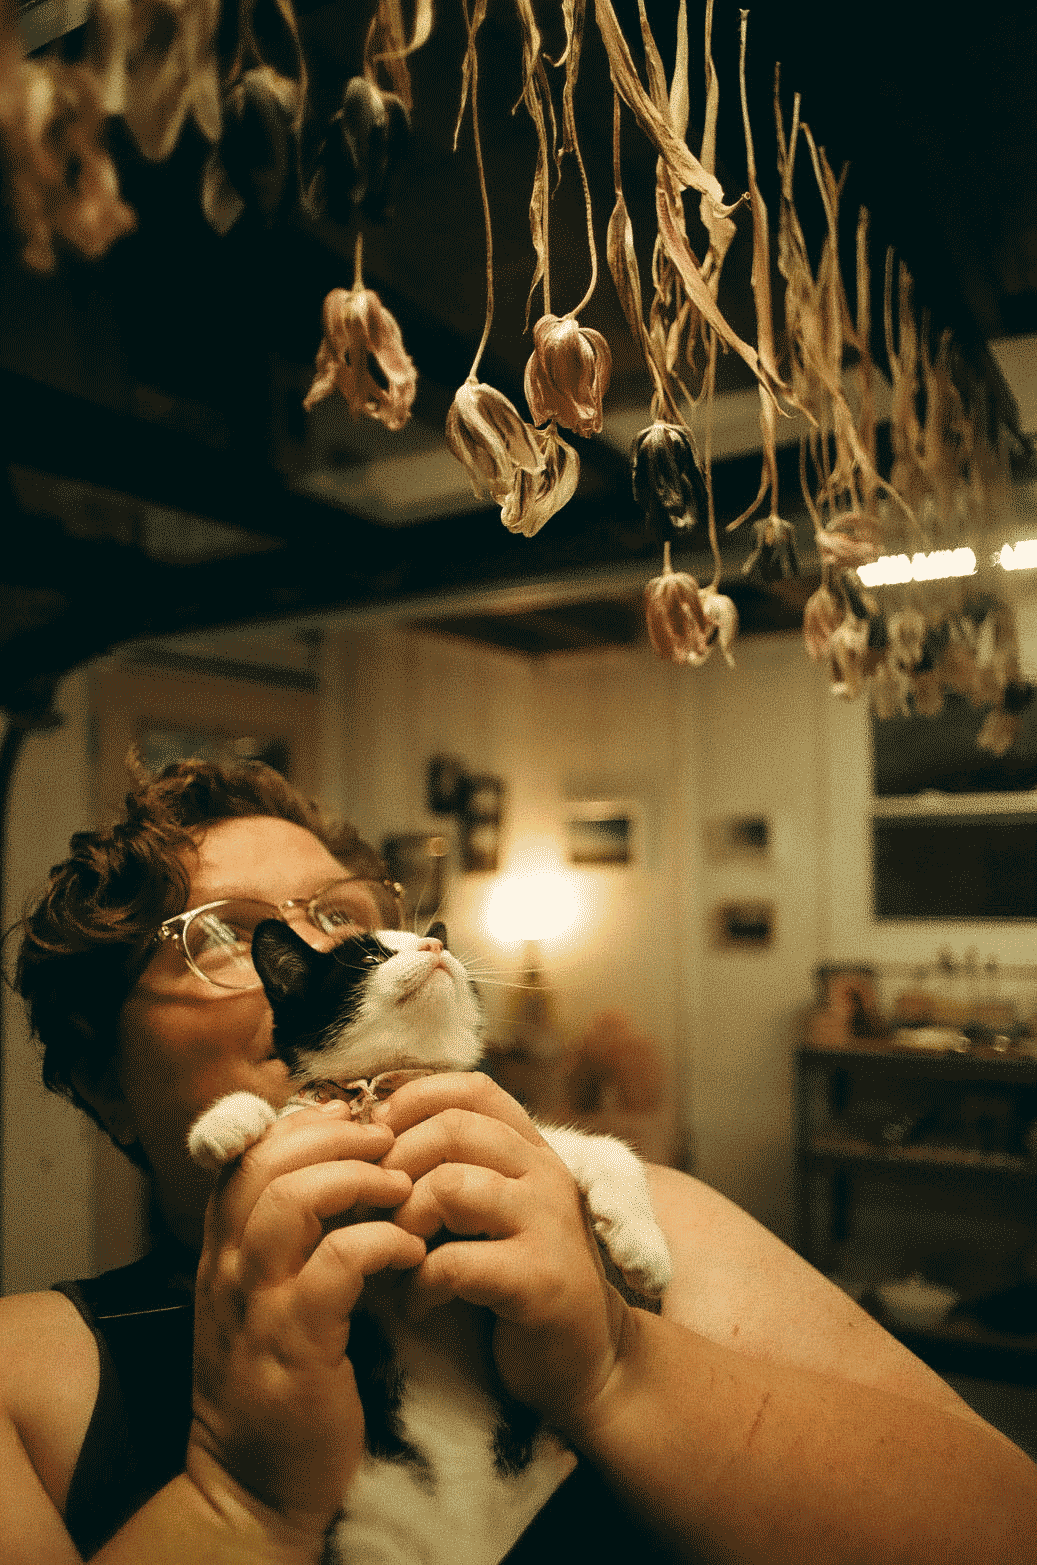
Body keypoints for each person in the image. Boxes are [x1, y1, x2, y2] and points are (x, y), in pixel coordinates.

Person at [1, 757, 1034, 1565]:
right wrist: (237, 1499)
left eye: (344, 915)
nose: (310, 946)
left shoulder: (640, 1217)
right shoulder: (19, 1380)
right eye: (226, 933)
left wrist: (616, 1365)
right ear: (100, 1078)